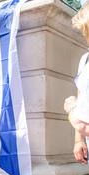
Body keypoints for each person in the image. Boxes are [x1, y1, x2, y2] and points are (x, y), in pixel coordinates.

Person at [65, 3, 89, 164]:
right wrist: (78, 140)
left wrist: (71, 109)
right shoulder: (85, 59)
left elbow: (82, 120)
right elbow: (82, 98)